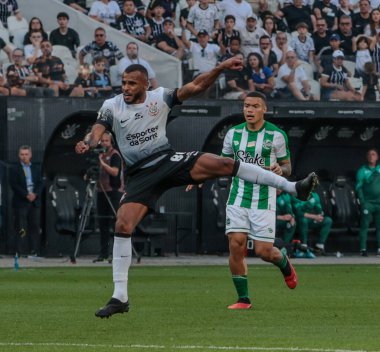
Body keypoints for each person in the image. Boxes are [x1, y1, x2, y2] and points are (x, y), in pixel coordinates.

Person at [75, 56, 318, 318]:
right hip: (140, 174)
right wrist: (89, 141)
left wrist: (221, 68)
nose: (126, 87)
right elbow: (98, 129)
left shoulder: (160, 97)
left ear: (145, 85)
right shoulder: (112, 105)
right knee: (123, 224)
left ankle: (294, 188)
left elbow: (196, 86)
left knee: (224, 164)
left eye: (132, 83)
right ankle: (119, 297)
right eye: (124, 82)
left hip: (167, 160)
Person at [220, 91, 299, 309]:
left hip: (264, 197)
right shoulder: (233, 134)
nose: (249, 110)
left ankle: (283, 262)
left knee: (264, 252)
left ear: (264, 109)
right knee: (236, 245)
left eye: (255, 106)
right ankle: (243, 299)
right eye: (246, 106)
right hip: (237, 197)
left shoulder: (276, 135)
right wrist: (197, 177)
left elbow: (288, 167)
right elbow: (222, 163)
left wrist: (279, 169)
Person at [93, 132, 124, 262]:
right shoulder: (99, 154)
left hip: (114, 191)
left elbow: (115, 172)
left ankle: (117, 254)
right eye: (102, 141)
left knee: (115, 222)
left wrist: (103, 164)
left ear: (111, 142)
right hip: (101, 191)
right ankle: (103, 254)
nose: (104, 143)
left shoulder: (115, 155)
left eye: (106, 141)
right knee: (102, 223)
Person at [10, 145, 42, 256]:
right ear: (19, 155)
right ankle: (21, 251)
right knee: (21, 227)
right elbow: (14, 184)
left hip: (34, 202)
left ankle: (34, 250)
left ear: (30, 155)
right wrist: (26, 195)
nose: (24, 157)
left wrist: (35, 194)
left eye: (26, 154)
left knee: (35, 226)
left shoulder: (36, 169)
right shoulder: (14, 169)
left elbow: (40, 183)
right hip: (21, 202)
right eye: (22, 154)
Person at [356, 148, 380, 257]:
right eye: (369, 154)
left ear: (377, 157)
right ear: (367, 157)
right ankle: (363, 249)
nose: (371, 156)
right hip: (368, 203)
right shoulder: (363, 170)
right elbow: (358, 187)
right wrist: (362, 201)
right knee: (364, 225)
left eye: (373, 154)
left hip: (379, 202)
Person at [293, 191, 332, 257]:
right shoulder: (297, 194)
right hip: (300, 220)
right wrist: (315, 217)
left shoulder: (315, 195)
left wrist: (319, 215)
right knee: (303, 220)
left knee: (328, 220)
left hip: (312, 219)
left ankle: (319, 246)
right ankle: (303, 245)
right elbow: (299, 213)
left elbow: (319, 209)